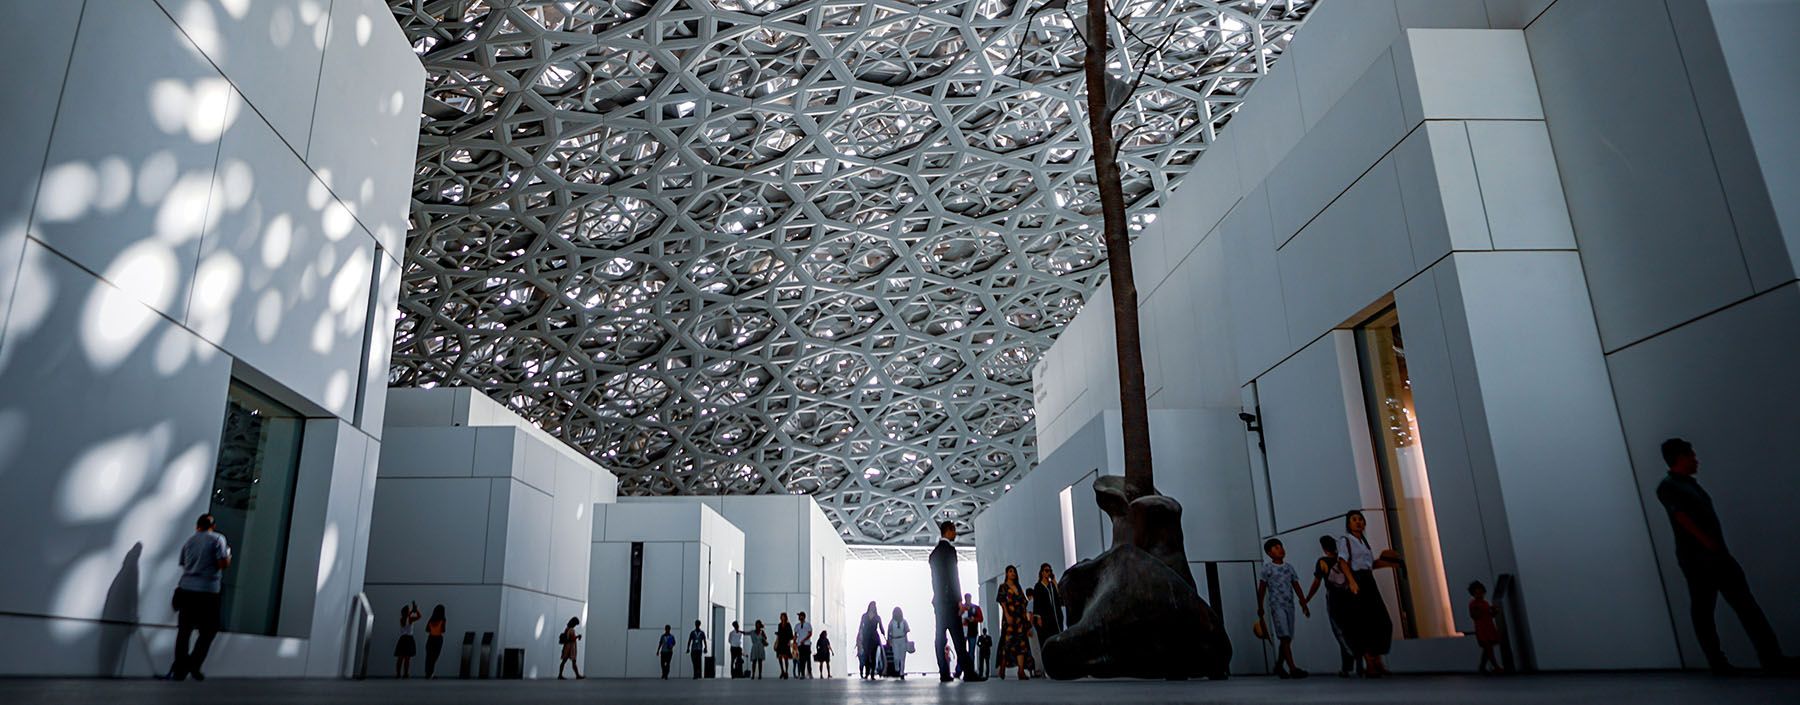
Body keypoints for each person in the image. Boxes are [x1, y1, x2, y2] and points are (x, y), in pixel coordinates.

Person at [1656, 438, 1788, 674]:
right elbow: (1681, 517)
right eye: (1691, 455)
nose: (1696, 459)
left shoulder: (1689, 486)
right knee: (1709, 610)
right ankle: (1723, 661)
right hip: (1699, 560)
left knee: (1742, 607)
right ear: (1680, 458)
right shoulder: (1669, 487)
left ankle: (1770, 658)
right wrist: (1708, 543)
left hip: (1713, 556)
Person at [168, 514, 230, 681]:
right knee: (209, 630)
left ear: (198, 526)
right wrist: (228, 556)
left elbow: (183, 564)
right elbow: (222, 564)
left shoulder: (189, 541)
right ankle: (193, 664)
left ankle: (180, 669)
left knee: (184, 631)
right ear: (213, 526)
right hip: (208, 592)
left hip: (186, 589)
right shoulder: (218, 539)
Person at [1342, 510, 1401, 677]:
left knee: (1382, 621)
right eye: (1354, 520)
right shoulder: (1346, 541)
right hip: (1357, 581)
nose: (1358, 522)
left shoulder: (1364, 542)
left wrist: (1388, 564)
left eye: (1360, 519)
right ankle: (1370, 662)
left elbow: (1368, 565)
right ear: (1348, 523)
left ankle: (1377, 660)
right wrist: (1352, 581)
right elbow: (1343, 562)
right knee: (1365, 622)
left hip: (1368, 580)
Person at [928, 521, 983, 681]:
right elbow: (953, 576)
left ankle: (944, 673)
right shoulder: (950, 551)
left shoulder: (934, 554)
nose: (956, 534)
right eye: (954, 531)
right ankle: (969, 673)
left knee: (940, 637)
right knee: (958, 638)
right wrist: (959, 600)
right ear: (948, 531)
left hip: (938, 602)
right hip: (950, 602)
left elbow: (936, 580)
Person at [1304, 535, 1361, 678]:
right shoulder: (1343, 559)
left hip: (1334, 598)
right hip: (1350, 596)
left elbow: (1316, 582)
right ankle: (1355, 664)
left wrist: (1307, 599)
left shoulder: (1323, 562)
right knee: (1352, 629)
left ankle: (1351, 661)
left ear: (1323, 548)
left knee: (1339, 631)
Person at [1257, 538, 1310, 678]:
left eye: (1280, 546)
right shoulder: (1267, 569)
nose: (1280, 549)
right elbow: (1262, 588)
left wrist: (1303, 602)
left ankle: (1279, 666)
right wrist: (1260, 606)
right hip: (1277, 605)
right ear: (1269, 553)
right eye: (1275, 547)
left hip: (1289, 605)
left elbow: (1296, 585)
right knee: (1284, 636)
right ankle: (1292, 668)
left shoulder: (1289, 568)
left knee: (1287, 638)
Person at [995, 565, 1034, 680]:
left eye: (1014, 572)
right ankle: (1002, 668)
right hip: (1010, 619)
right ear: (1006, 573)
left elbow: (1023, 603)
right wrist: (1007, 615)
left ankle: (1021, 671)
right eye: (1010, 571)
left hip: (1020, 619)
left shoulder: (1018, 587)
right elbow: (1002, 602)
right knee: (1007, 643)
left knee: (1021, 644)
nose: (1013, 573)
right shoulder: (1003, 587)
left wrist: (1027, 621)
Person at [1468, 581, 1503, 674]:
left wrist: (1493, 611)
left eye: (1480, 592)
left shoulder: (1485, 603)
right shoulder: (1474, 604)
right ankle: (1495, 667)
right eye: (1477, 593)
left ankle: (1482, 667)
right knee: (1488, 648)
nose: (1479, 594)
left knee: (1488, 649)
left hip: (1487, 626)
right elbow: (1475, 615)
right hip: (1482, 628)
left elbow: (1490, 615)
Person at [856, 601, 885, 679]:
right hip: (866, 637)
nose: (873, 607)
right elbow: (860, 626)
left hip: (874, 638)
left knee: (873, 656)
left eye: (874, 606)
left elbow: (881, 627)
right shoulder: (864, 616)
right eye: (872, 605)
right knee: (866, 656)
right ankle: (867, 672)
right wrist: (859, 635)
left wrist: (884, 635)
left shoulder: (877, 617)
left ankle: (872, 674)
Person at [395, 602, 422, 678]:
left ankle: (398, 674)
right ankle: (406, 674)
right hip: (409, 639)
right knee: (407, 658)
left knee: (400, 657)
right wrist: (415, 610)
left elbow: (407, 616)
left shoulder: (402, 619)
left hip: (402, 639)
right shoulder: (410, 619)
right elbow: (419, 616)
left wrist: (411, 611)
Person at [887, 606, 912, 679]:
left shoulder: (904, 621)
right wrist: (889, 640)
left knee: (902, 658)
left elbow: (906, 631)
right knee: (896, 657)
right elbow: (889, 631)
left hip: (902, 639)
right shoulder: (891, 622)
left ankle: (901, 672)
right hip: (895, 640)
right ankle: (897, 668)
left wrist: (907, 641)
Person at [424, 604, 448, 678]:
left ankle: (428, 673)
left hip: (430, 638)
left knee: (429, 657)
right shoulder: (443, 620)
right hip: (438, 639)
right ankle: (431, 673)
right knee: (434, 657)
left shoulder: (431, 620)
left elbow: (427, 629)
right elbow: (443, 630)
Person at [960, 592, 984, 657]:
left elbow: (981, 619)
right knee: (961, 651)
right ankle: (963, 666)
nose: (968, 599)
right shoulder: (961, 607)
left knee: (971, 652)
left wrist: (974, 619)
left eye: (969, 598)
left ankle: (970, 666)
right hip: (963, 632)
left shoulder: (976, 608)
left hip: (972, 631)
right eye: (966, 598)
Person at [794, 611, 814, 678]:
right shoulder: (797, 626)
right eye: (799, 616)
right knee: (801, 659)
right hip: (800, 644)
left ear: (804, 617)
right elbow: (795, 635)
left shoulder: (808, 625)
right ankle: (802, 674)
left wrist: (804, 640)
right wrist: (794, 642)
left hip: (807, 644)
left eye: (801, 616)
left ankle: (810, 673)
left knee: (808, 659)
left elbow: (810, 634)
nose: (799, 617)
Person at [775, 612, 794, 679]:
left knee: (786, 657)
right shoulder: (779, 625)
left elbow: (791, 634)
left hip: (786, 642)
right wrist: (776, 642)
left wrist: (789, 642)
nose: (782, 617)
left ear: (785, 617)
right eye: (781, 616)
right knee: (780, 656)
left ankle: (786, 672)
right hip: (780, 642)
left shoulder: (788, 625)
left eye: (784, 616)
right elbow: (779, 634)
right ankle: (782, 671)